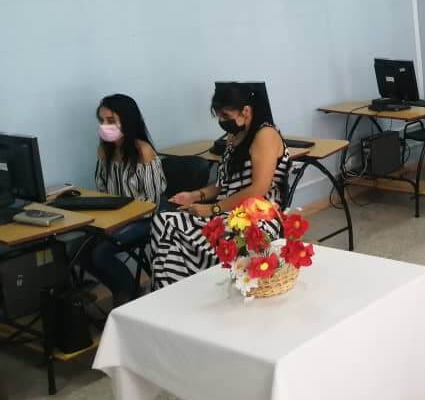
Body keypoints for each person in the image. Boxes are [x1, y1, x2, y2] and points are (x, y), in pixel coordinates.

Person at [150, 83, 289, 288]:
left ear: (246, 111)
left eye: (225, 115)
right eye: (219, 116)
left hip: (258, 216)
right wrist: (195, 195)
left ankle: (201, 286)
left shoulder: (265, 135)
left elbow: (258, 189)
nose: (222, 122)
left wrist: (213, 209)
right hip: (228, 211)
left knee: (214, 235)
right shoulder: (235, 136)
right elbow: (223, 185)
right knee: (164, 221)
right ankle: (175, 289)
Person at [87, 94, 166, 304]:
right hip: (115, 219)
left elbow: (152, 204)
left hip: (146, 219)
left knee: (101, 253)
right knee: (76, 250)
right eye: (102, 120)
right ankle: (123, 290)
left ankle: (131, 295)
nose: (104, 125)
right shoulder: (105, 151)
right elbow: (102, 191)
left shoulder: (143, 151)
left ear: (127, 121)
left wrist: (118, 223)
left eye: (111, 120)